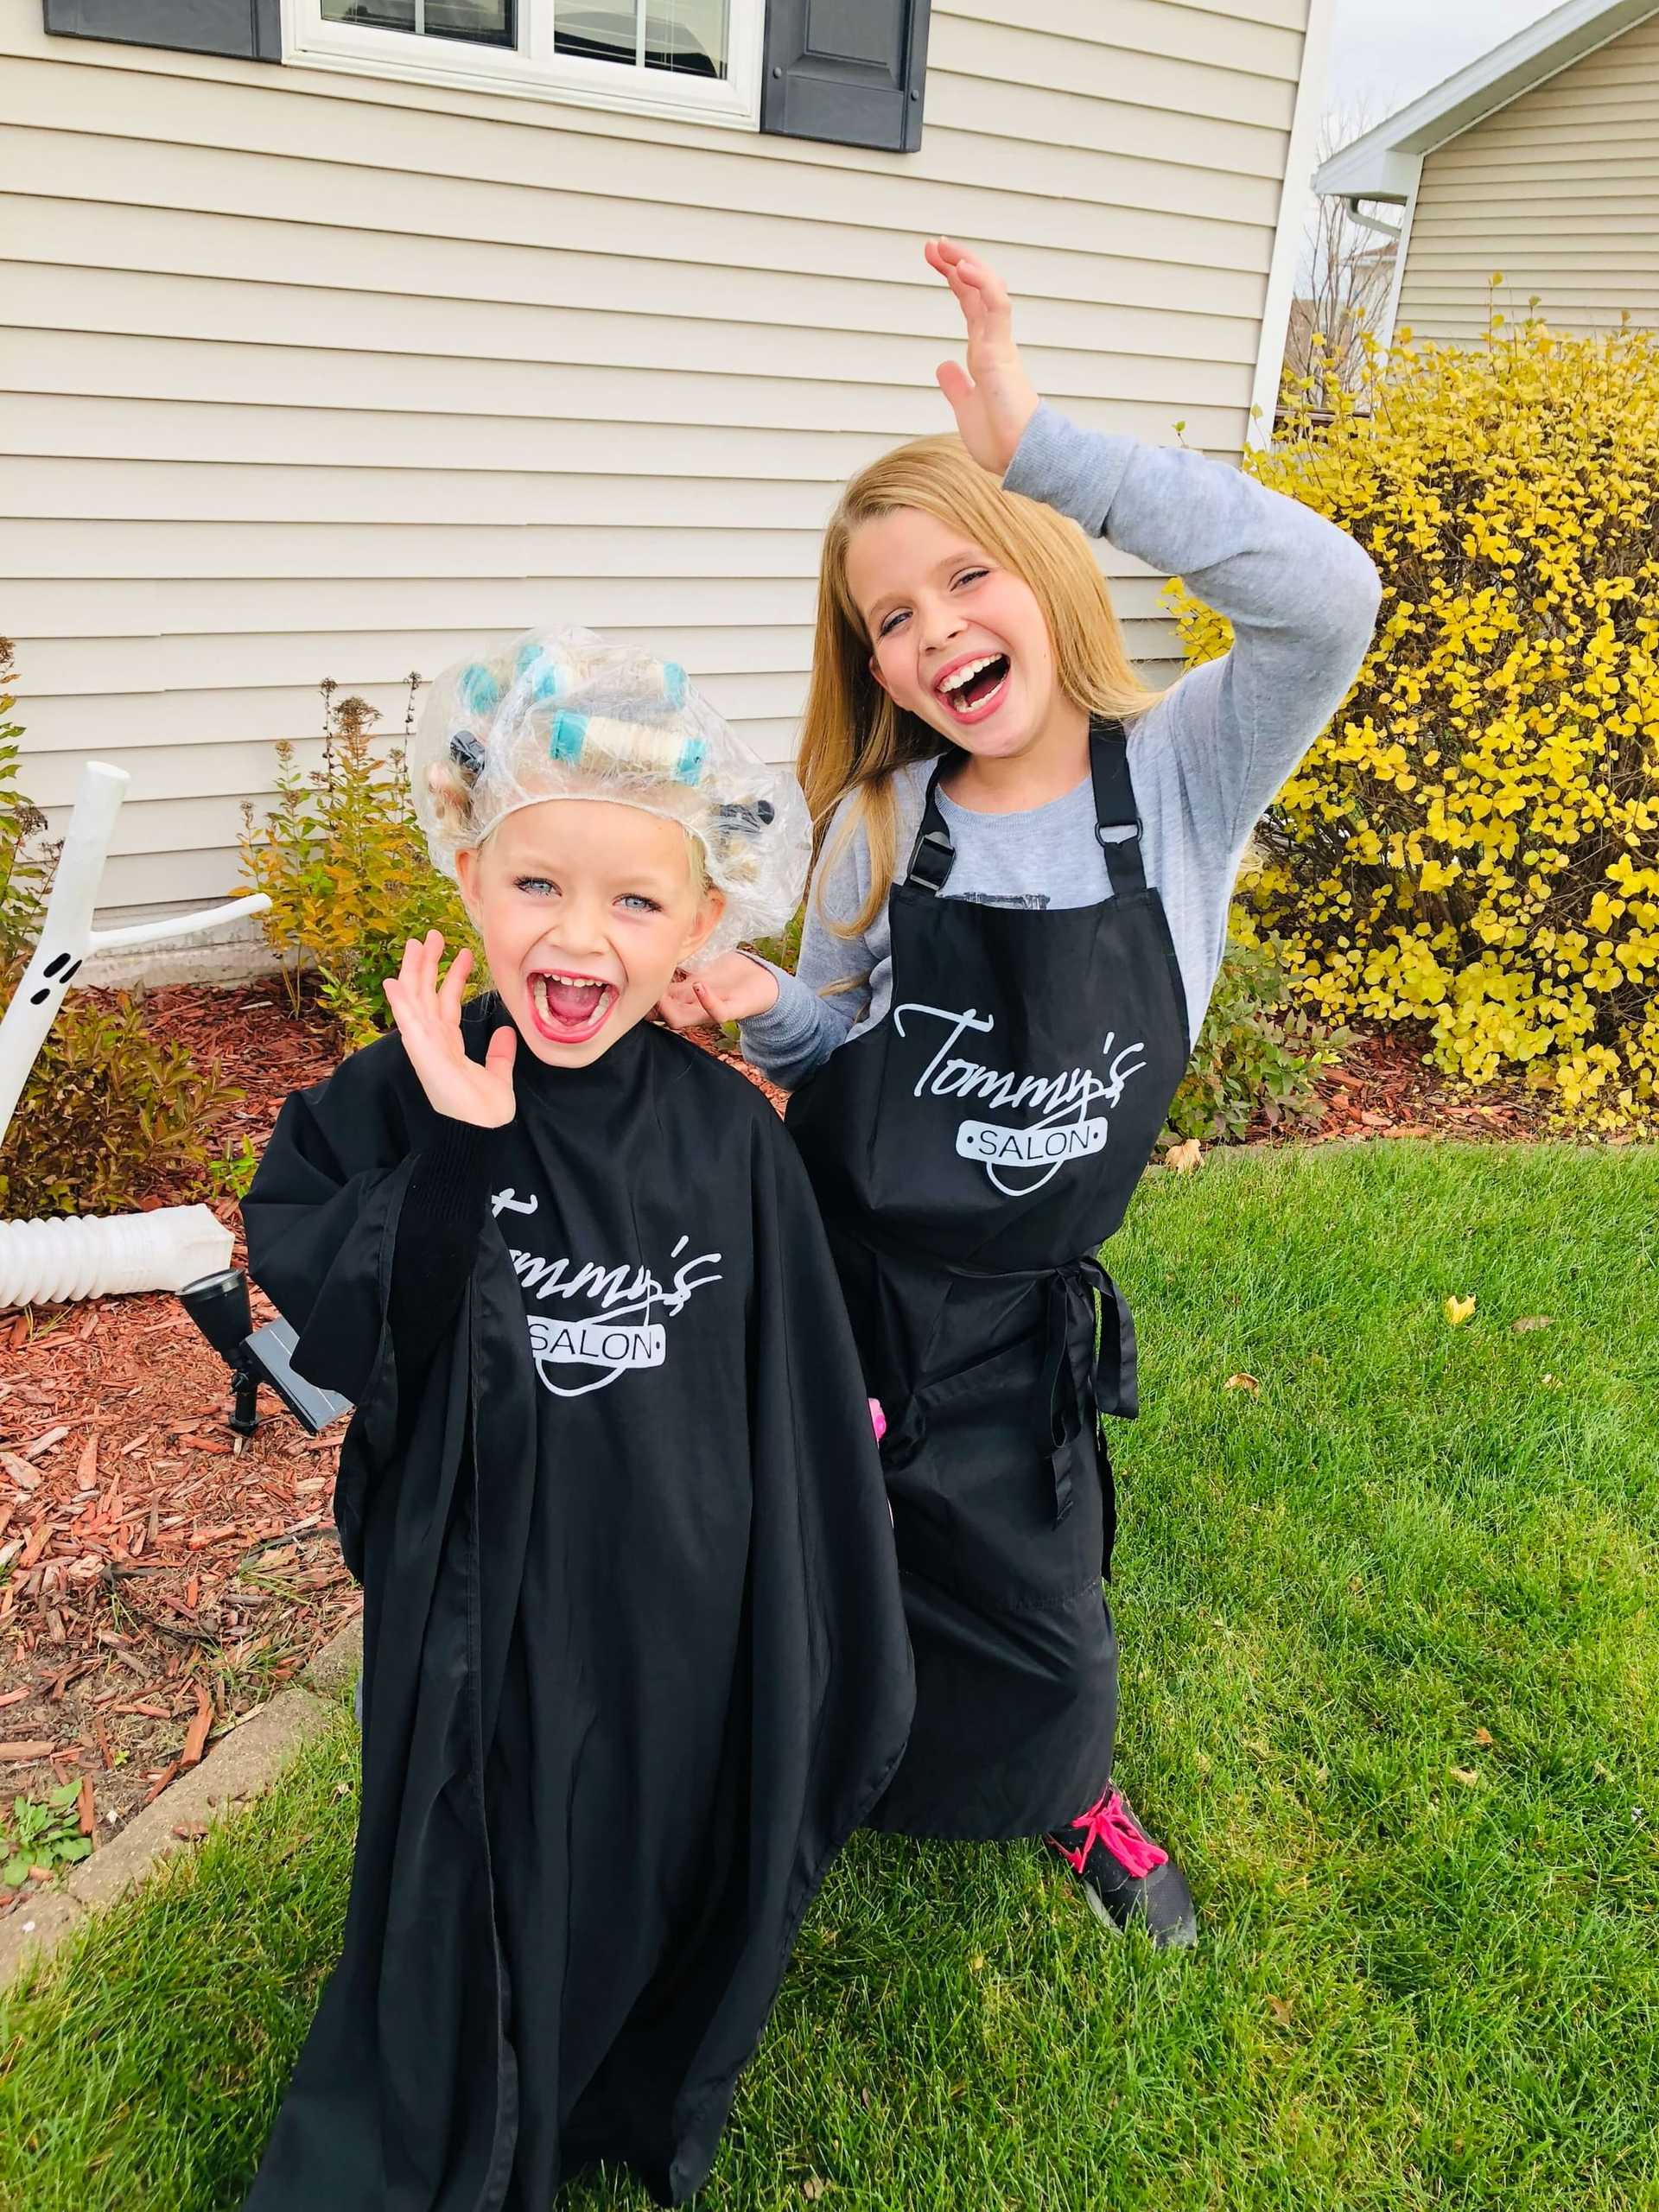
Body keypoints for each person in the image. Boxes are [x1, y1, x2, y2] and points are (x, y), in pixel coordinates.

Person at [660, 240, 1382, 1948]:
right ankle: (806, 1771)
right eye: (888, 619)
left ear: (1044, 564)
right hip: (854, 1282)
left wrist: (1039, 438)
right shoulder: (884, 826)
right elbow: (841, 1065)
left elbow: (1332, 594)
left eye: (962, 578)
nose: (933, 633)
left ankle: (1068, 1793)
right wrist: (763, 1008)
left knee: (1040, 1594)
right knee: (830, 1545)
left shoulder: (1186, 775)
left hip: (1014, 1313)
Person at [239, 630, 914, 2209]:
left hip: (668, 1591)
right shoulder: (402, 1090)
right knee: (470, 1858)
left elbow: (787, 1387)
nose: (580, 937)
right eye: (538, 885)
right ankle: (452, 2112)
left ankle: (612, 2071)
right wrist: (468, 1153)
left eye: (636, 902)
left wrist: (815, 1598)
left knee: (642, 1842)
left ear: (701, 925)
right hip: (480, 1598)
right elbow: (340, 1315)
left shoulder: (724, 1145)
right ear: (469, 875)